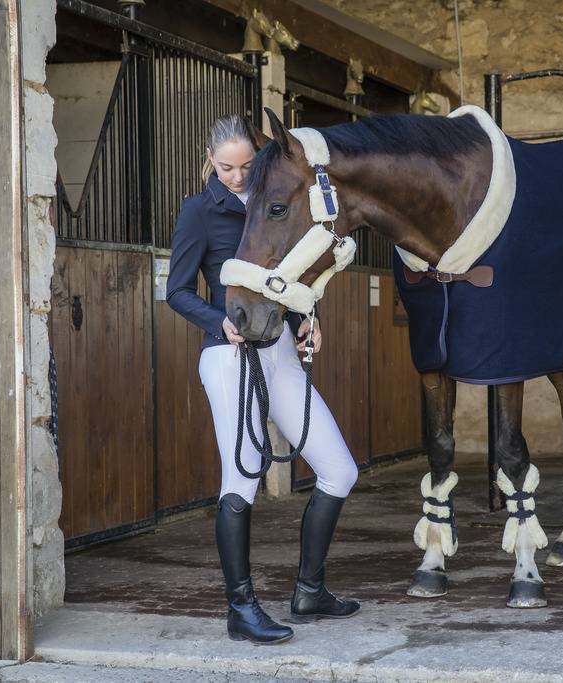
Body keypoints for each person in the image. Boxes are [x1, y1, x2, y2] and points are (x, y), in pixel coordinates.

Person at [166, 115, 360, 645]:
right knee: (242, 478)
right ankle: (241, 608)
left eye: (245, 166)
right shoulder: (200, 212)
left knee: (339, 470)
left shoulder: (276, 202)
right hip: (230, 358)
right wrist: (218, 322)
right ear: (210, 162)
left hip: (280, 355)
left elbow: (288, 279)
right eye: (225, 167)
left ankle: (309, 590)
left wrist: (306, 323)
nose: (235, 176)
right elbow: (177, 290)